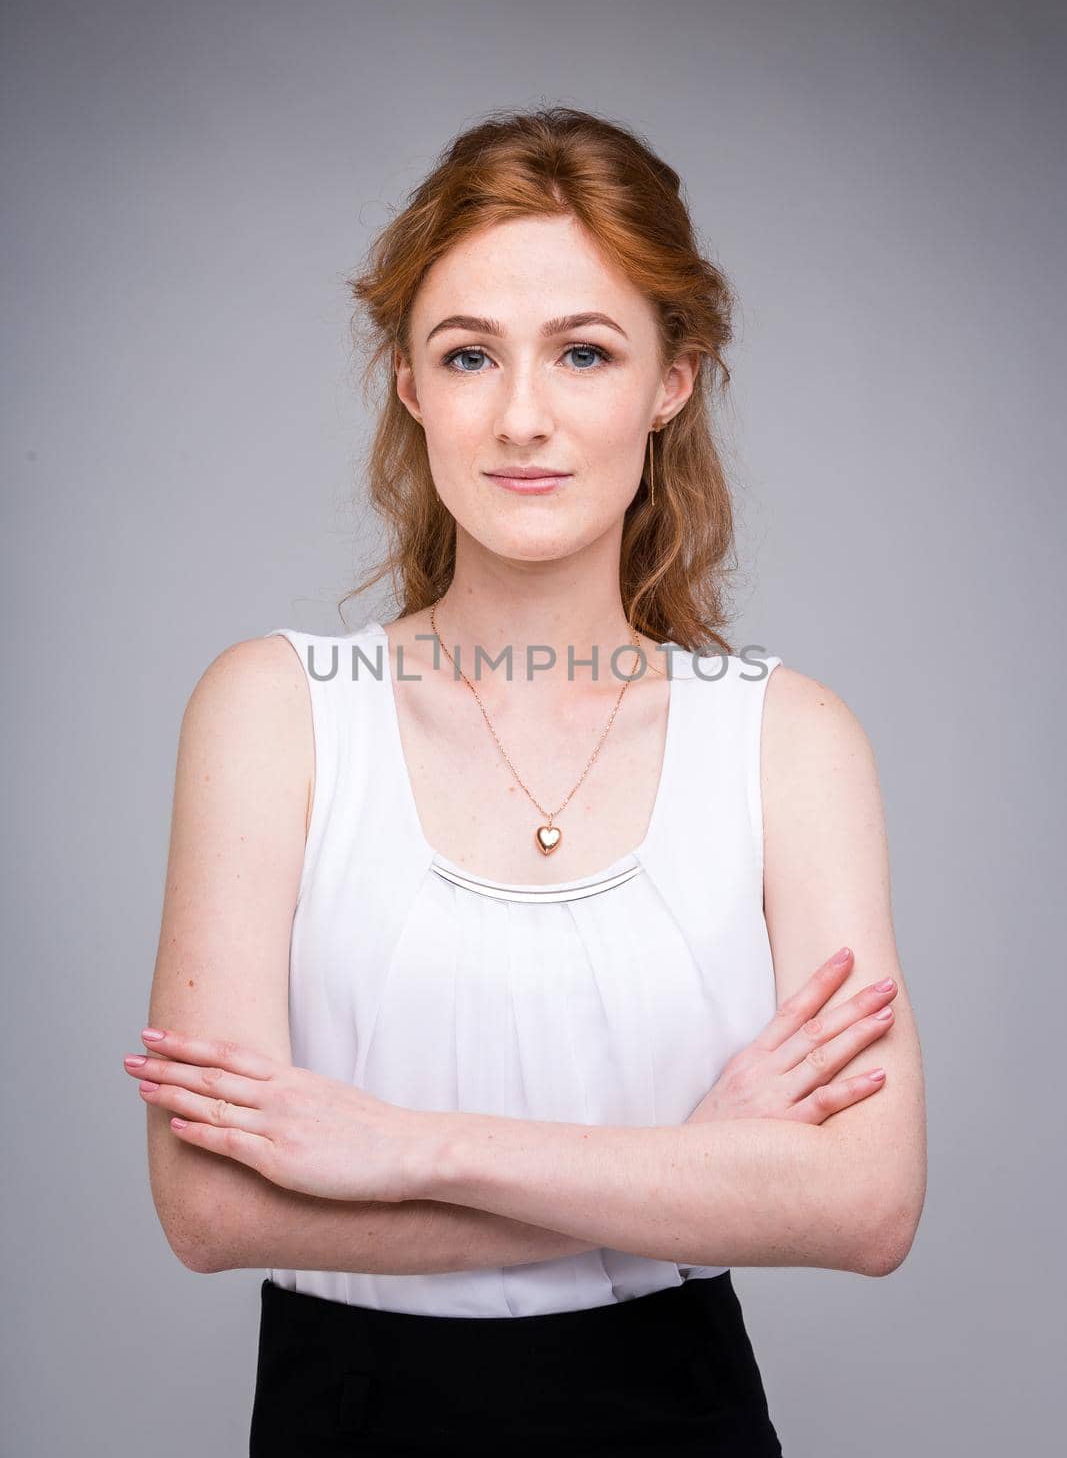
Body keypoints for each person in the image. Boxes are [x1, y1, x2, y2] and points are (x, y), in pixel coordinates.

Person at [125, 106, 926, 1455]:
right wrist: (692, 1167)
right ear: (408, 383)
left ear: (673, 379)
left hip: (678, 1417)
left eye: (585, 352)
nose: (521, 417)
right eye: (470, 354)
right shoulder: (272, 714)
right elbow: (208, 1210)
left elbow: (866, 1206)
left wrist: (414, 1148)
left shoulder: (791, 741)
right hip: (348, 1418)